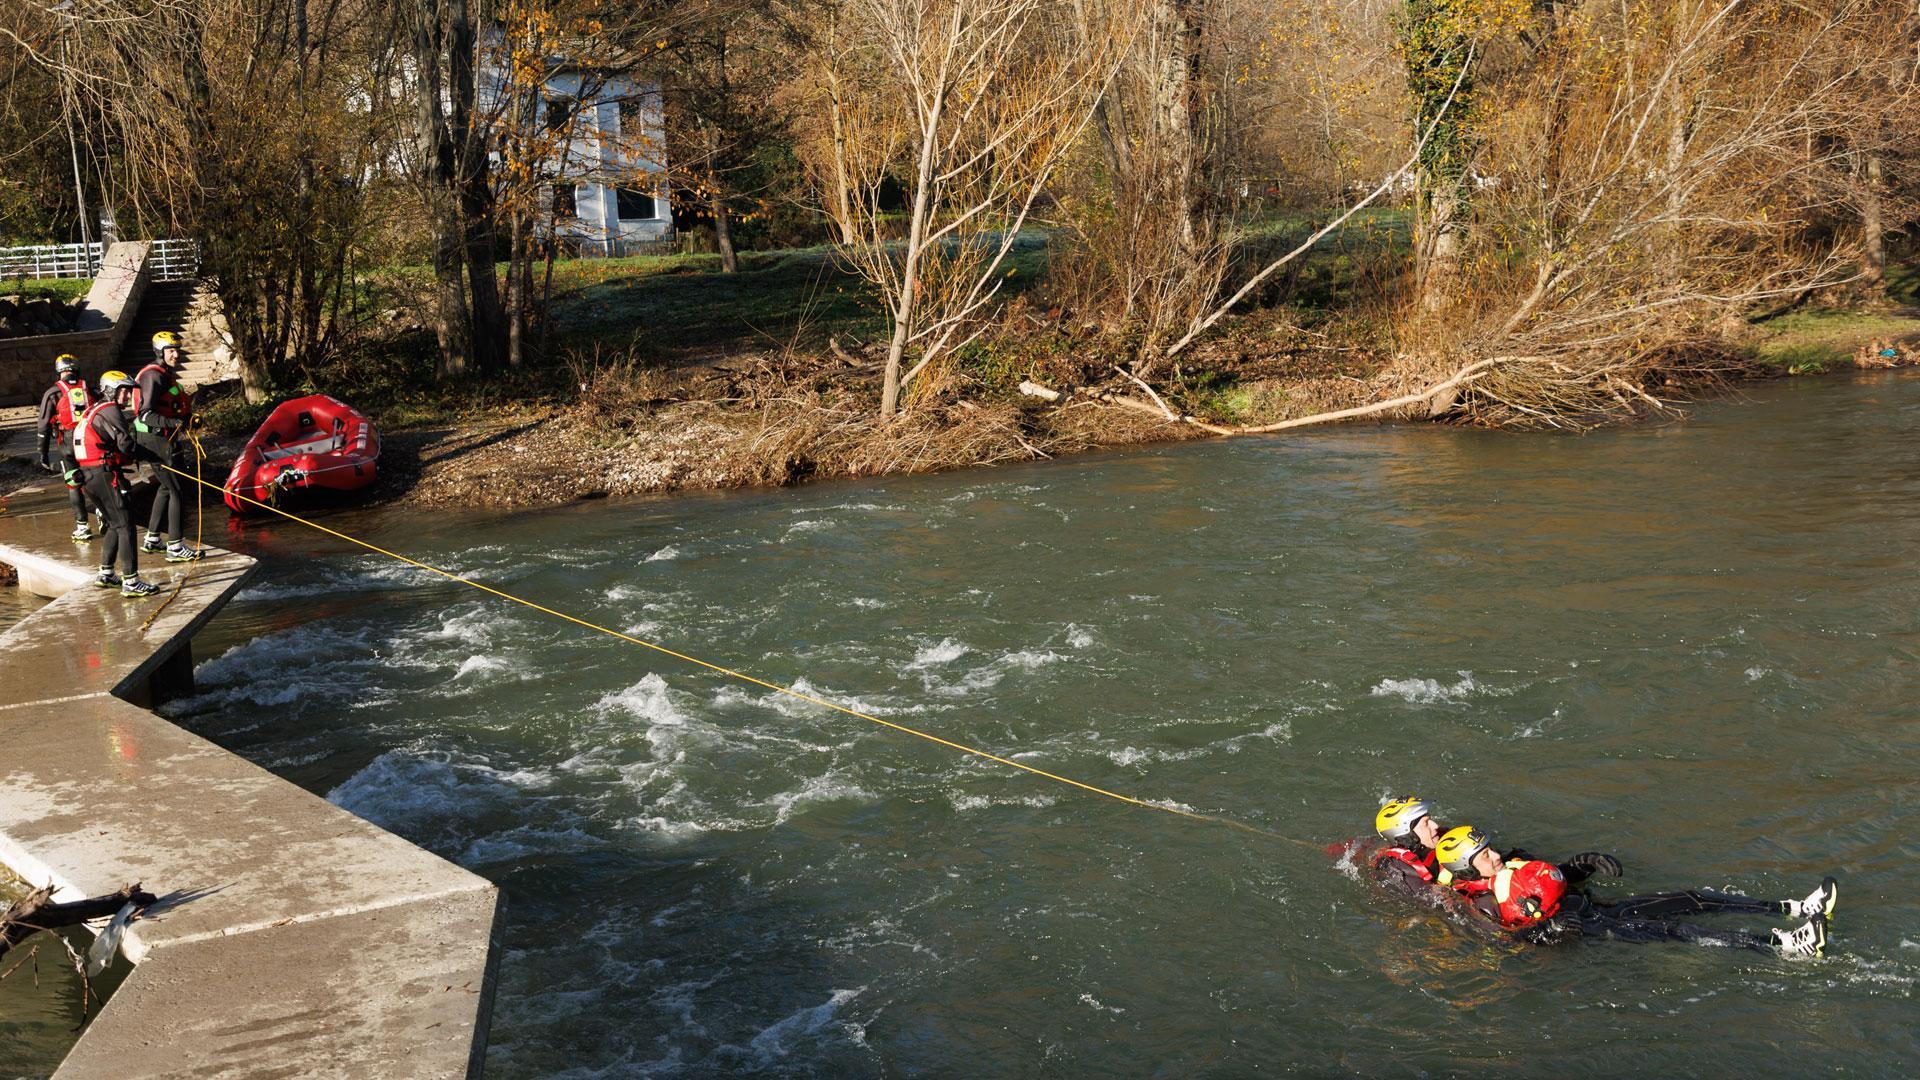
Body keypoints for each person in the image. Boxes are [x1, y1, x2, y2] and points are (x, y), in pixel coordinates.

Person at [1433, 825, 1836, 960]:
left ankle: (1791, 906)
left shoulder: (1512, 862)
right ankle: (1781, 946)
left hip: (1600, 908)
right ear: (1467, 868)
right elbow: (1503, 943)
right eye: (1483, 855)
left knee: (1690, 899)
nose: (1494, 854)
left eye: (1489, 847)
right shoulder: (1480, 902)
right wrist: (1545, 933)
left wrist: (1584, 863)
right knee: (1675, 930)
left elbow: (1555, 877)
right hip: (1593, 930)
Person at [73, 370, 161, 598]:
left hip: (89, 476)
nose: (127, 395)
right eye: (123, 390)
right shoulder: (110, 409)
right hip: (103, 475)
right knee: (125, 524)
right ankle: (131, 581)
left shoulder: (93, 410)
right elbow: (126, 446)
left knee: (114, 523)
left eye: (129, 391)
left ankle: (106, 573)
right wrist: (153, 455)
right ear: (111, 390)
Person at [133, 330, 201, 562]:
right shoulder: (153, 376)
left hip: (166, 437)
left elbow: (172, 406)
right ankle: (175, 546)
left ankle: (152, 539)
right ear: (159, 352)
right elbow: (145, 415)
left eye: (177, 349)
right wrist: (174, 423)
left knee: (165, 487)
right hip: (156, 439)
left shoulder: (165, 374)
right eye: (171, 350)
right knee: (176, 489)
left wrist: (188, 419)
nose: (176, 354)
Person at [34, 354, 97, 541]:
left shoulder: (52, 393)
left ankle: (83, 526)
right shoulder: (89, 389)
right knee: (95, 479)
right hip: (89, 441)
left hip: (68, 444)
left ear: (58, 371)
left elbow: (43, 427)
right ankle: (103, 515)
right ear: (76, 369)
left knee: (73, 483)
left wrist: (43, 454)